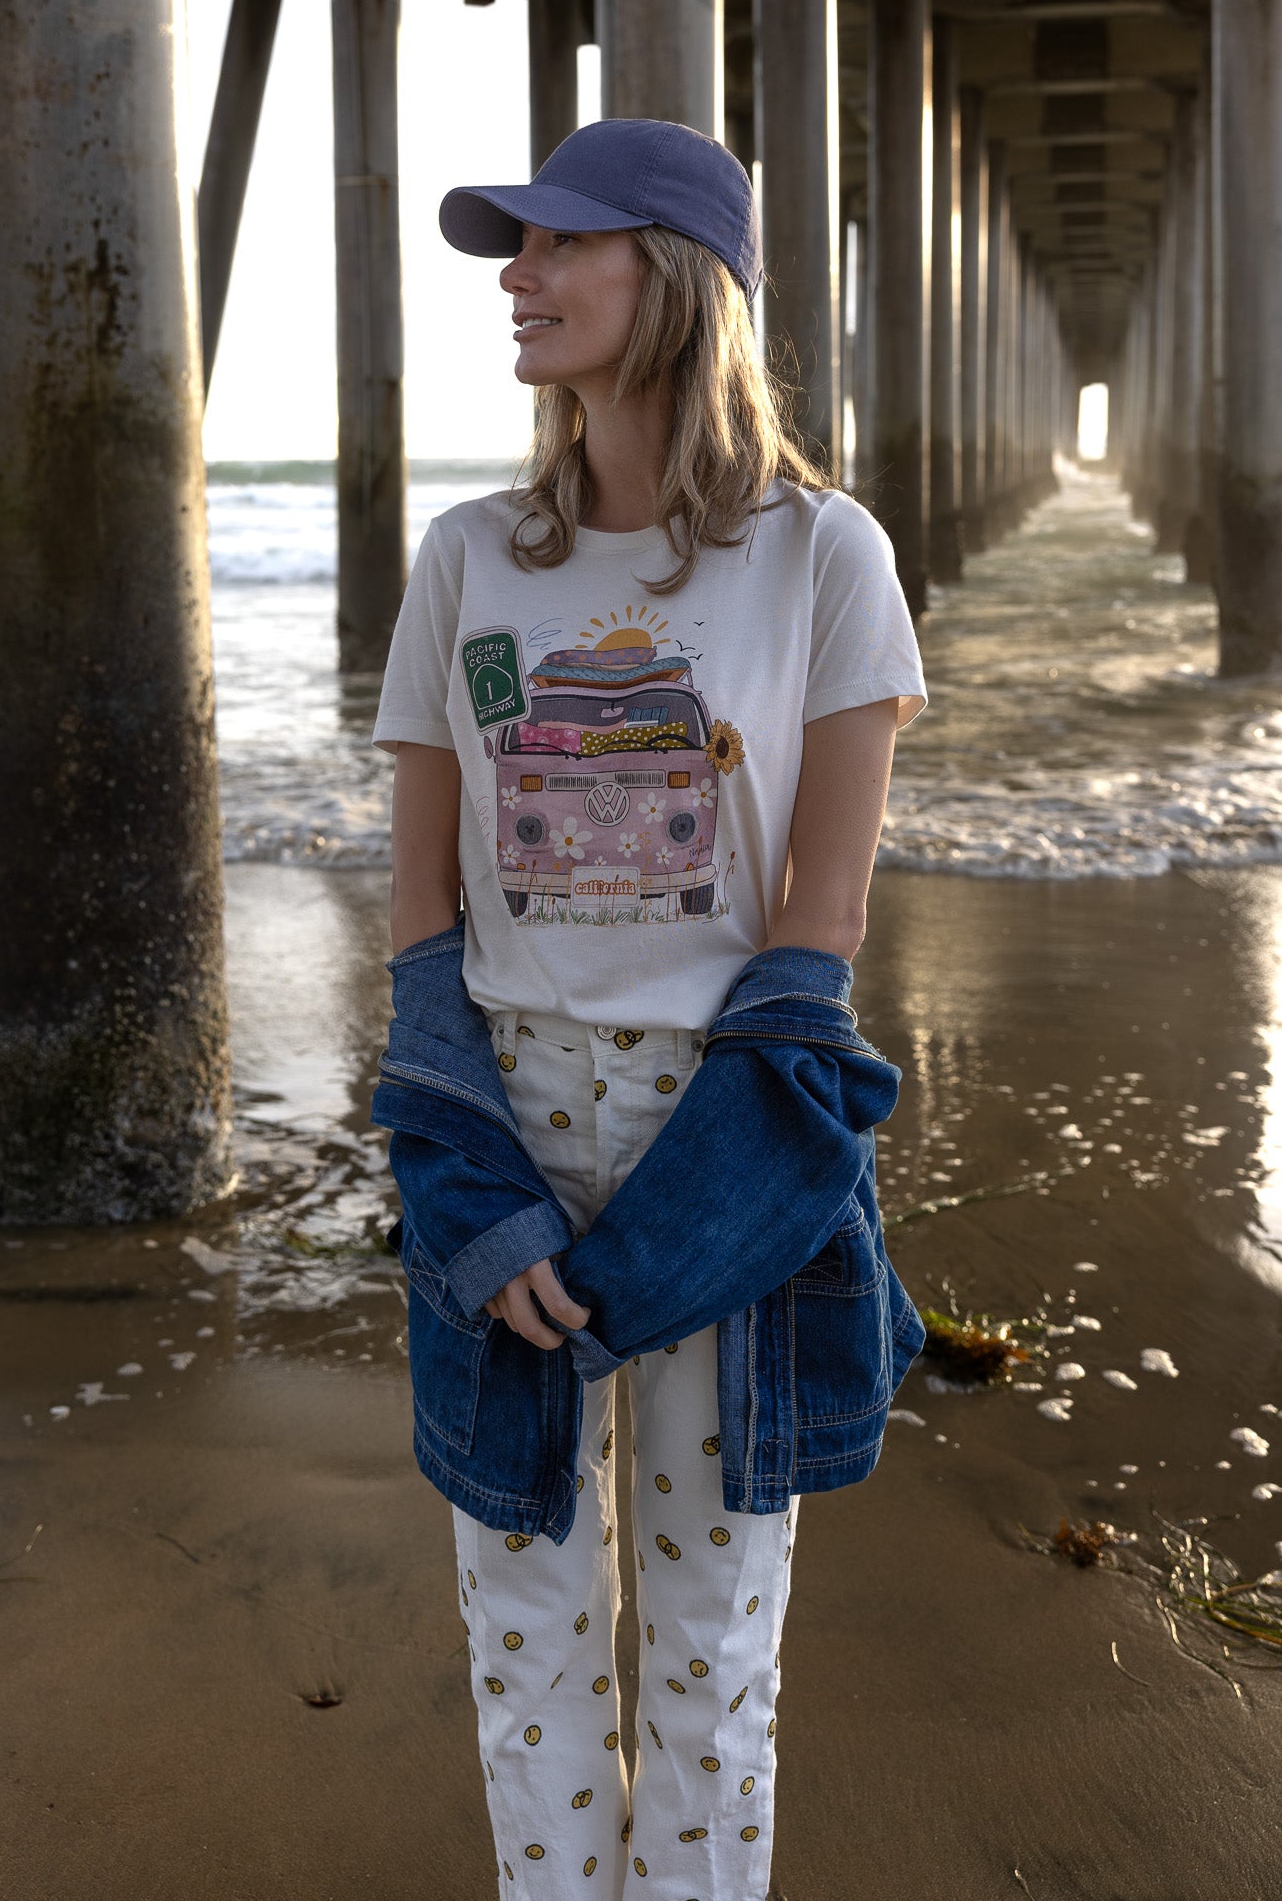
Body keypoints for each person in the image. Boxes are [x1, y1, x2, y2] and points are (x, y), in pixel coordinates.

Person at [371, 117, 927, 1901]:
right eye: (509, 249)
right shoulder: (468, 556)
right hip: (507, 1103)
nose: (516, 279)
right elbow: (420, 908)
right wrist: (459, 1180)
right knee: (521, 1613)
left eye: (556, 244)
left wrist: (716, 1189)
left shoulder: (824, 556)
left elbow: (816, 923)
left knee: (710, 1639)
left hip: (737, 1125)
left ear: (673, 280)